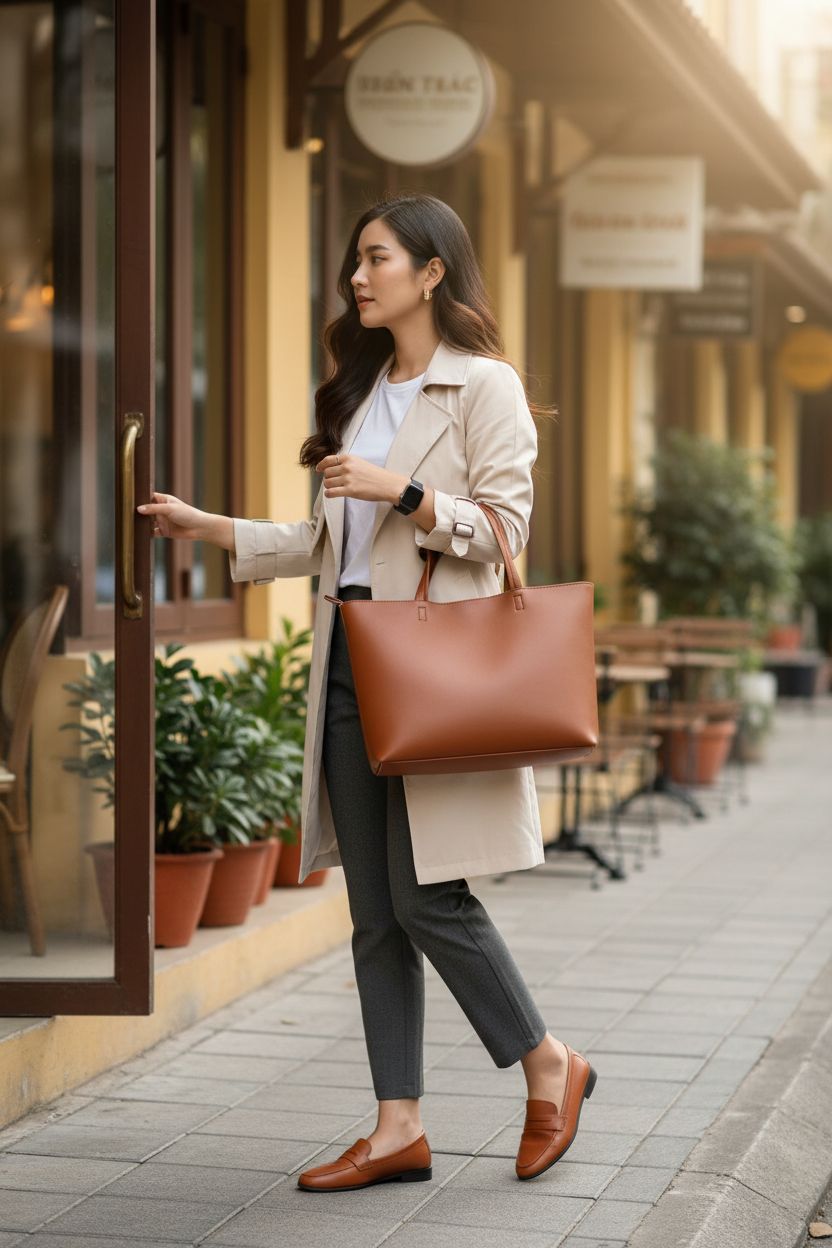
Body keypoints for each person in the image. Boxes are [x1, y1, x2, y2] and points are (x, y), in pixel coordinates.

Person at [138, 192, 597, 1191]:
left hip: (431, 663)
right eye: (355, 260)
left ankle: (547, 1060)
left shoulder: (483, 387)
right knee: (375, 913)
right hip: (348, 660)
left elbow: (505, 534)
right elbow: (325, 543)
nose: (357, 275)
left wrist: (405, 493)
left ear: (431, 271)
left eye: (376, 258)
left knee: (429, 898)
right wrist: (207, 527)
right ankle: (397, 1126)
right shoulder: (355, 393)